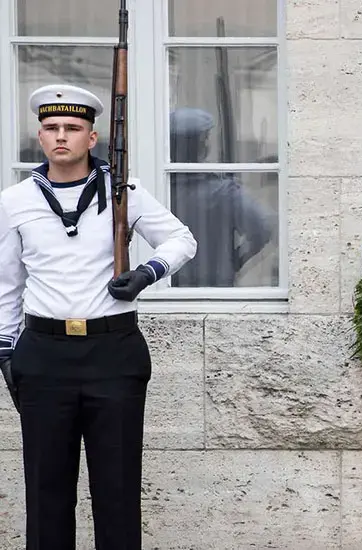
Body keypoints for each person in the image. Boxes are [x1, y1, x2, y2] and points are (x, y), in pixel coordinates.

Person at [0, 84, 197, 548]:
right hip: (44, 356)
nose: (61, 136)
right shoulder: (15, 201)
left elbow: (182, 240)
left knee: (118, 490)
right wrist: (5, 350)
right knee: (46, 493)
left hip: (114, 353)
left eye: (73, 128)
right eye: (51, 128)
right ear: (40, 137)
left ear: (92, 138)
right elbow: (7, 283)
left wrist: (147, 272)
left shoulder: (124, 191)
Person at [168, 107, 273, 287]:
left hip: (164, 286)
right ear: (200, 145)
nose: (207, 144)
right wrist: (235, 262)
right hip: (216, 291)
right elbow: (262, 228)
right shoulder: (223, 192)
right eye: (205, 138)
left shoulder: (157, 188)